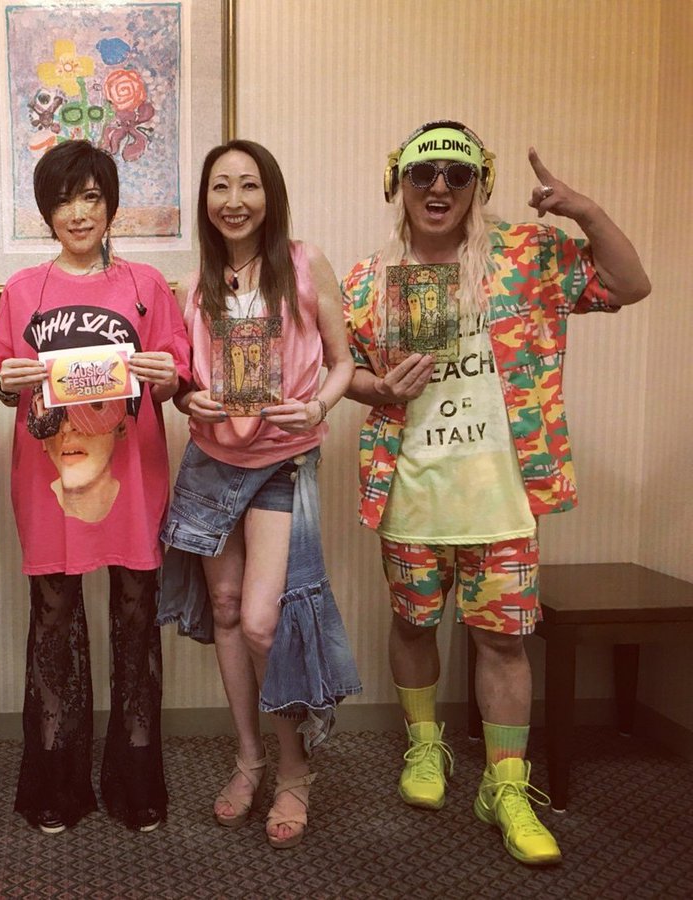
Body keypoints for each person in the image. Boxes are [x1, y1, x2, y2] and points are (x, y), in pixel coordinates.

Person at [342, 120, 650, 866]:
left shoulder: (528, 257)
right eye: (422, 174)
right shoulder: (367, 281)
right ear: (397, 184)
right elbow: (336, 368)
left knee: (503, 643)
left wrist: (585, 211)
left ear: (479, 184)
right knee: (412, 625)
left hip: (503, 499)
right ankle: (425, 747)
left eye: (457, 173)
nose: (439, 187)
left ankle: (506, 786)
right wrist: (378, 387)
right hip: (411, 491)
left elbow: (629, 285)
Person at [157, 140, 360, 849]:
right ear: (205, 201)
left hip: (280, 461)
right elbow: (186, 381)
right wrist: (189, 400)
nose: (234, 200)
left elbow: (343, 362)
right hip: (212, 464)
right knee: (222, 609)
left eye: (248, 185)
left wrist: (319, 407)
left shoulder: (305, 264)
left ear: (269, 195)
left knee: (261, 622)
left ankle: (295, 766)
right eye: (220, 187)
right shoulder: (193, 286)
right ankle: (248, 758)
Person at [0, 139, 191, 833]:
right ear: (46, 212)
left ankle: (136, 782)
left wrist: (165, 375)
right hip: (49, 477)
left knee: (135, 621)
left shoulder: (147, 285)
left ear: (111, 206)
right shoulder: (22, 290)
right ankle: (56, 782)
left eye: (91, 197)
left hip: (131, 473)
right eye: (63, 200)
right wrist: (6, 381)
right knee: (53, 623)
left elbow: (176, 376)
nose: (77, 213)